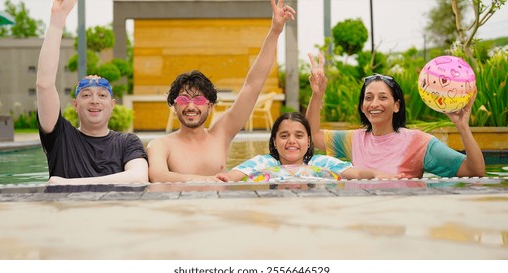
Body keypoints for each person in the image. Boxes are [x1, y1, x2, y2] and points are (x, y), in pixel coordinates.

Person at [146, 0, 296, 182]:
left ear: (210, 106)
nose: (191, 106)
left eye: (199, 100)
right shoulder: (160, 145)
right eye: (184, 100)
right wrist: (207, 180)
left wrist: (275, 31)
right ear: (174, 105)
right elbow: (158, 176)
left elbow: (253, 85)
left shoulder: (221, 134)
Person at [305, 52, 485, 178]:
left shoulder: (419, 142)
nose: (374, 104)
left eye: (383, 97)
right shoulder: (355, 140)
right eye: (368, 98)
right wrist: (317, 94)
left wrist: (462, 126)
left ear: (396, 105)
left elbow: (475, 171)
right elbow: (311, 137)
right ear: (362, 106)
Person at [36, 0, 148, 185]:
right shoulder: (61, 138)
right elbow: (44, 85)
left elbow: (139, 177)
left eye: (102, 95)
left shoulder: (127, 142)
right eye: (86, 95)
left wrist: (64, 183)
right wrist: (57, 20)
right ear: (75, 104)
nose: (94, 101)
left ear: (112, 105)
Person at [217, 112, 400, 182]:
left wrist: (376, 174)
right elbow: (231, 177)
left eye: (299, 135)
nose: (291, 141)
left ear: (308, 141)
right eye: (284, 135)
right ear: (274, 141)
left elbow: (357, 174)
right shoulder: (261, 163)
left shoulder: (322, 162)